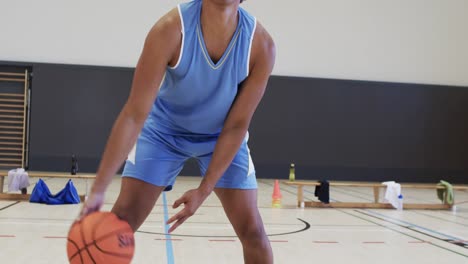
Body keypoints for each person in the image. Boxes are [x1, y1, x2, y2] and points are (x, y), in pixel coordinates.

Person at [79, 0, 275, 262]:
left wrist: (203, 191)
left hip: (222, 136)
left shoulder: (261, 45)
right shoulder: (170, 29)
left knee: (253, 232)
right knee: (121, 222)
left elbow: (237, 125)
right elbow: (134, 114)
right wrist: (99, 188)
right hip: (164, 132)